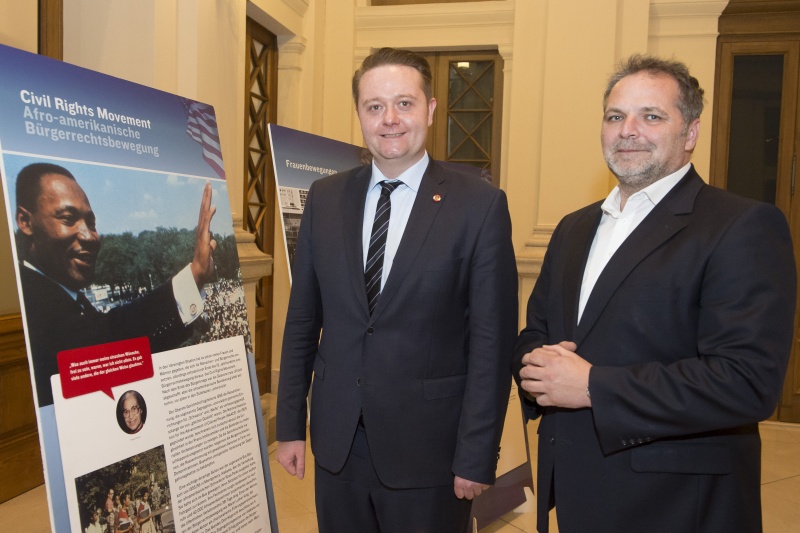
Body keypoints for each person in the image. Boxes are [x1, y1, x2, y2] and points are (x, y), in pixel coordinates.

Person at [514, 54, 796, 533]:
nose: (629, 130)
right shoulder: (573, 228)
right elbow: (537, 332)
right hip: (580, 490)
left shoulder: (740, 226)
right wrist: (534, 366)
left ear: (690, 134)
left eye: (651, 116)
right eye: (615, 116)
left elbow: (746, 382)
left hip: (676, 503)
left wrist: (591, 386)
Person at [276, 47, 518, 532]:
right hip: (338, 444)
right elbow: (303, 319)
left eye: (404, 104)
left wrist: (476, 453)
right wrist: (288, 427)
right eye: (374, 106)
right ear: (360, 114)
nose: (389, 120)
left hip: (430, 453)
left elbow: (492, 344)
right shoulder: (324, 199)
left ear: (430, 109)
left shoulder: (480, 206)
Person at [14, 162, 217, 407]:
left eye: (92, 223)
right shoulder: (31, 299)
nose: (89, 235)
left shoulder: (69, 296)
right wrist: (193, 275)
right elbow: (106, 338)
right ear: (25, 222)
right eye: (68, 218)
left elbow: (127, 354)